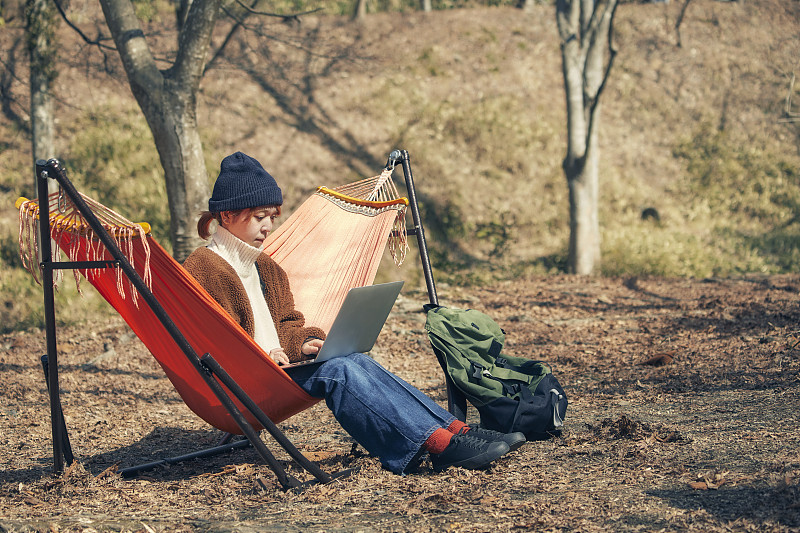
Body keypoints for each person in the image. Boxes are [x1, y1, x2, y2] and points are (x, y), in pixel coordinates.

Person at [183, 151, 525, 474]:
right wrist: (263, 356)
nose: (269, 227)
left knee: (352, 360)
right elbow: (218, 342)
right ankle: (439, 447)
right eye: (260, 217)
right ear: (226, 216)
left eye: (273, 217)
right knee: (339, 371)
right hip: (243, 382)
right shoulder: (204, 267)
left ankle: (458, 432)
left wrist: (303, 345)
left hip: (275, 369)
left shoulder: (268, 268)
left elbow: (287, 324)